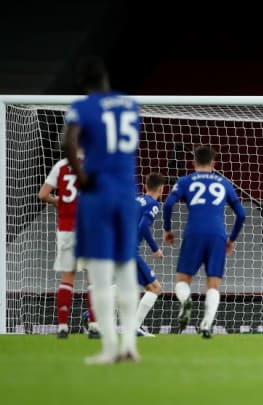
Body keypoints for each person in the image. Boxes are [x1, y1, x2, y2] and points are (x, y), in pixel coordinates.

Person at [63, 55, 141, 364]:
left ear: (84, 84)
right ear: (106, 78)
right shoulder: (129, 106)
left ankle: (110, 349)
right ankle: (130, 346)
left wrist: (81, 176)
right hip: (126, 192)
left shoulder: (81, 107)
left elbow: (68, 142)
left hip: (97, 194)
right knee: (126, 270)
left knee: (99, 272)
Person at [163, 146, 246, 339]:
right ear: (213, 163)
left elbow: (168, 203)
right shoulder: (224, 183)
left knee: (183, 280)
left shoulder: (185, 180)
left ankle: (186, 303)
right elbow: (242, 214)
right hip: (218, 234)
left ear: (192, 163)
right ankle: (207, 324)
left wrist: (168, 229)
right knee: (213, 284)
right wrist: (231, 239)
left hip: (194, 232)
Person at [38, 152, 101, 339]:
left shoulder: (61, 166)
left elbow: (42, 194)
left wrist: (56, 201)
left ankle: (63, 326)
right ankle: (94, 326)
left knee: (67, 278)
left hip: (66, 229)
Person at [134, 173, 167, 338]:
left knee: (129, 286)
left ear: (145, 186)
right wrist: (155, 248)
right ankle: (134, 327)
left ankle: (92, 314)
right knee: (155, 288)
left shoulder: (135, 201)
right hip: (128, 251)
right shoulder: (153, 204)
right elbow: (144, 227)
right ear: (161, 189)